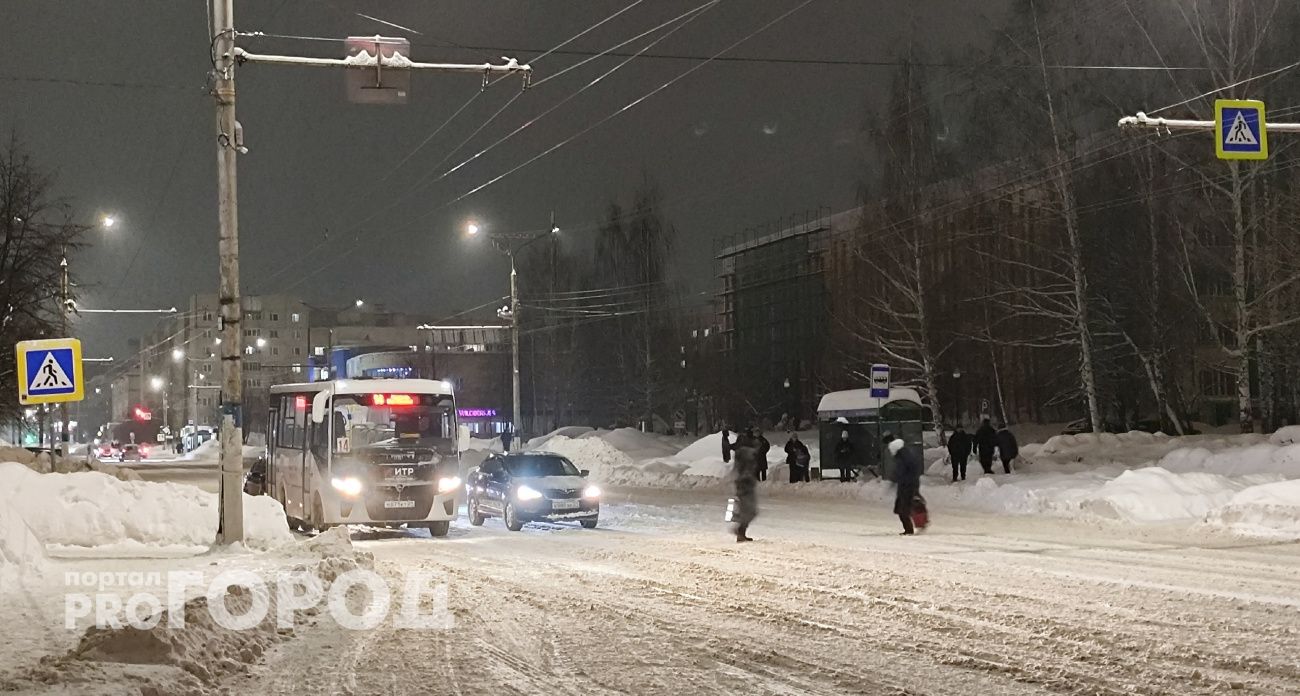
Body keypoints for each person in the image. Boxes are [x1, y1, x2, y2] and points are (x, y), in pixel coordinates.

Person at [729, 430, 760, 543]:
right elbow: (746, 472)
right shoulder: (748, 456)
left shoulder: (742, 456)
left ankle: (741, 532)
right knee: (749, 510)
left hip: (743, 484)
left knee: (747, 510)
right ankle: (740, 531)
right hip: (745, 484)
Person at [889, 437, 924, 535]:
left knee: (903, 509)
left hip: (906, 487)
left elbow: (901, 472)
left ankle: (909, 529)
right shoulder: (906, 455)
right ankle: (909, 528)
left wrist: (895, 479)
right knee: (903, 509)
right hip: (908, 486)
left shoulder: (903, 458)